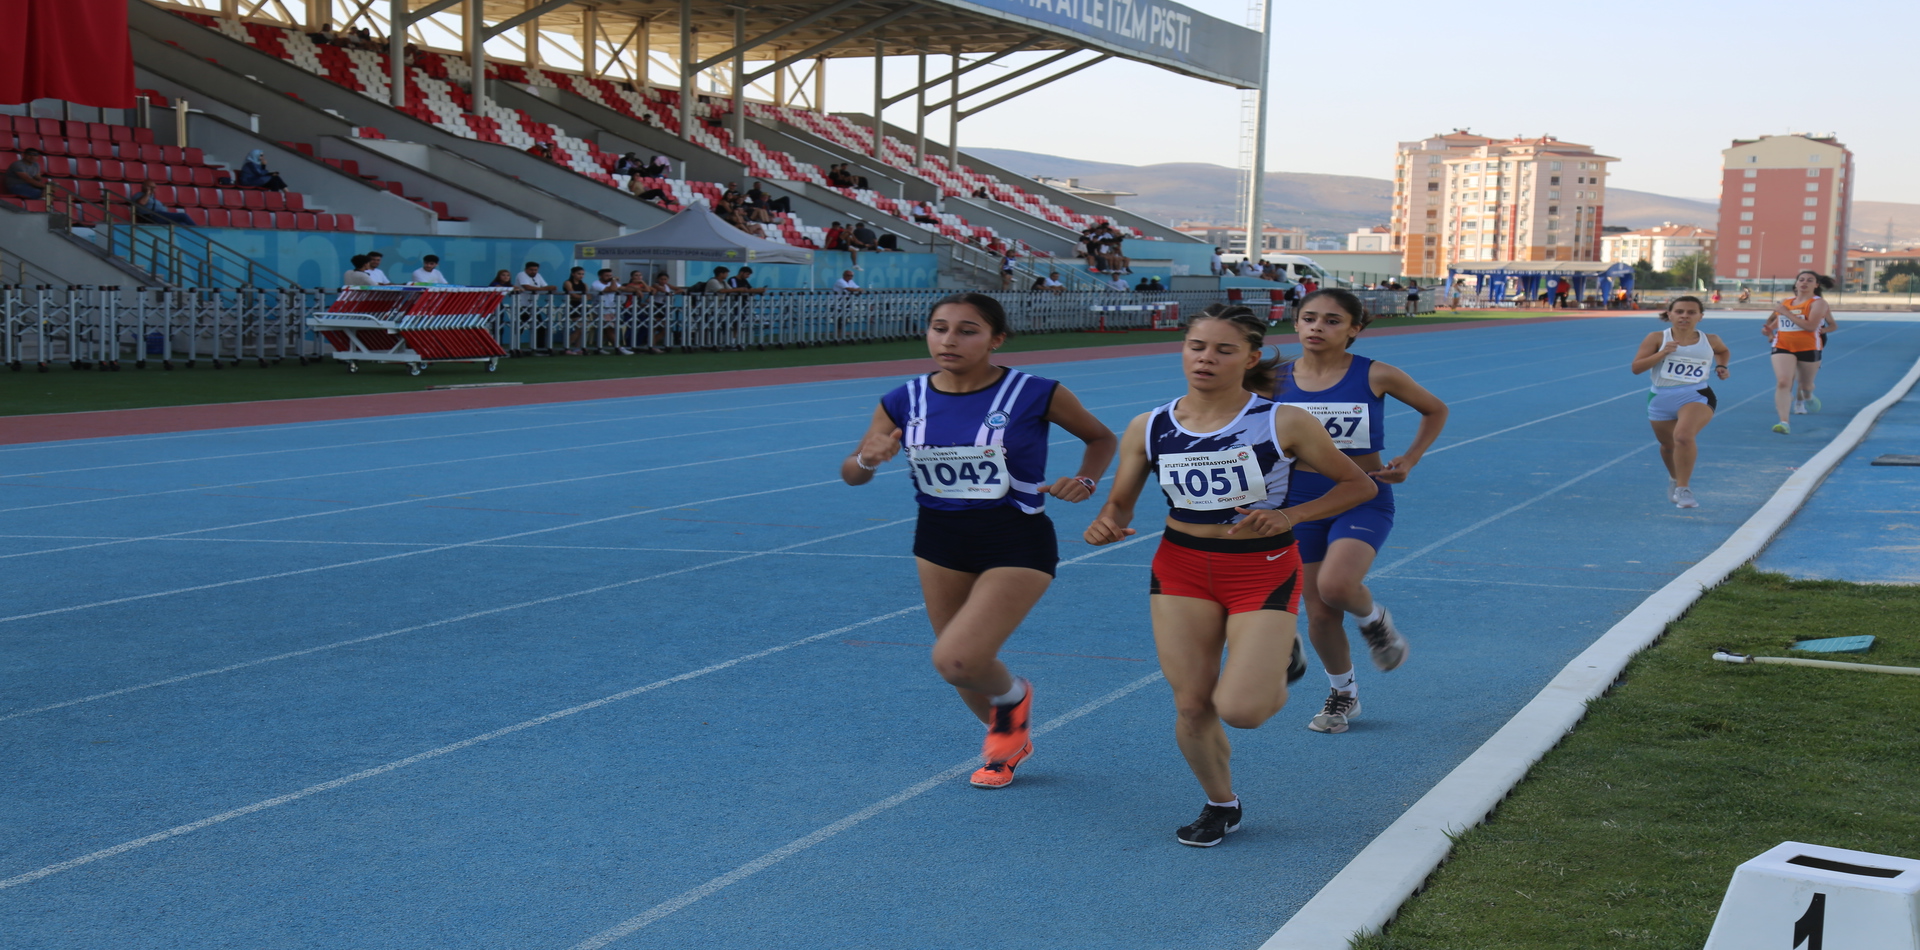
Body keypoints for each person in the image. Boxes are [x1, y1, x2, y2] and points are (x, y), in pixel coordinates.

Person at [1083, 303, 1376, 846]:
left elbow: (1359, 485)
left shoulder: (1282, 420)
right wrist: (1106, 524)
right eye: (1198, 347)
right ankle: (1221, 804)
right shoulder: (1149, 427)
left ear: (1251, 357)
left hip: (1261, 569)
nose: (1206, 359)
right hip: (1181, 569)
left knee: (1242, 710)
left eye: (1223, 349)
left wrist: (1289, 515)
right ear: (1183, 350)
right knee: (1192, 703)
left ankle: (1275, 653)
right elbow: (1118, 505)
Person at [842, 293, 1117, 789]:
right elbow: (851, 475)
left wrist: (1087, 481)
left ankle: (1011, 702)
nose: (949, 339)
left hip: (1016, 538)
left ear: (996, 339)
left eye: (967, 330)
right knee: (960, 668)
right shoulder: (904, 399)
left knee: (958, 657)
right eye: (939, 327)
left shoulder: (1035, 392)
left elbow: (1101, 438)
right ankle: (1008, 740)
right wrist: (868, 458)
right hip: (939, 540)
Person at [1258, 289, 1447, 734]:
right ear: (1296, 324)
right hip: (1299, 503)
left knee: (1338, 585)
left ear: (1354, 330)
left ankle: (1375, 622)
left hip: (1363, 495)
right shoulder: (1271, 380)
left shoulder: (1376, 374)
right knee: (1320, 612)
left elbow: (1435, 409)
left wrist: (1410, 459)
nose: (1317, 328)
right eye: (1309, 319)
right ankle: (1344, 695)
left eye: (1332, 320)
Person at [1630, 295, 1729, 508]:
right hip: (1660, 397)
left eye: (1691, 312)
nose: (1685, 316)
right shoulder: (1657, 338)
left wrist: (1722, 366)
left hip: (1697, 394)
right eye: (1680, 311)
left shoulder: (1710, 339)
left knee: (1683, 437)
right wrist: (1663, 353)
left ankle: (1684, 489)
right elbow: (1636, 368)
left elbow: (1723, 351)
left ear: (1700, 316)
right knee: (1668, 446)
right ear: (1670, 314)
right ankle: (1675, 480)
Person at [1762, 270, 1837, 434]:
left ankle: (1808, 395)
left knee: (1805, 385)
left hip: (1809, 347)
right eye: (1801, 279)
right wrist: (1769, 330)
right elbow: (1778, 322)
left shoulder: (1818, 303)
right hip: (1783, 345)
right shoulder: (1785, 302)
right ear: (1796, 283)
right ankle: (1784, 422)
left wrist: (1786, 313)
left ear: (1816, 285)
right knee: (1783, 382)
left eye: (1810, 280)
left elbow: (1810, 327)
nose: (1804, 282)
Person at [128, 182, 195, 226]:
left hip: (161, 216)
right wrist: (147, 192)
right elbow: (141, 202)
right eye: (151, 187)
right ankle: (199, 231)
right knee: (183, 216)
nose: (153, 189)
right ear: (145, 187)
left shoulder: (152, 198)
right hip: (152, 216)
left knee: (181, 224)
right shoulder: (139, 195)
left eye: (154, 188)